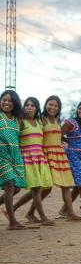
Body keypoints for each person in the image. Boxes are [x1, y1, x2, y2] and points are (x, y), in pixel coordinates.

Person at [12, 95, 81, 222]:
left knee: (65, 184)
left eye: (56, 105)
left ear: (59, 108)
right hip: (45, 155)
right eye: (50, 104)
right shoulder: (41, 120)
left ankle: (70, 213)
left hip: (59, 155)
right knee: (42, 187)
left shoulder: (57, 121)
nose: (53, 107)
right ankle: (21, 210)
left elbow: (59, 136)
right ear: (45, 106)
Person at [18, 97, 54, 226]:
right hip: (28, 158)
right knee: (36, 188)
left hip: (40, 157)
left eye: (32, 105)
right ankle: (43, 217)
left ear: (37, 108)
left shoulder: (40, 122)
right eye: (27, 105)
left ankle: (25, 212)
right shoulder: (21, 122)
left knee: (47, 187)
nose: (29, 107)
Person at [0, 90, 26, 230]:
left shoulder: (17, 120)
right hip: (2, 156)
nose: (6, 103)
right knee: (9, 185)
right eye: (4, 100)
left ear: (15, 103)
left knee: (16, 188)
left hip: (15, 155)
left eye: (10, 101)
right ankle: (12, 222)